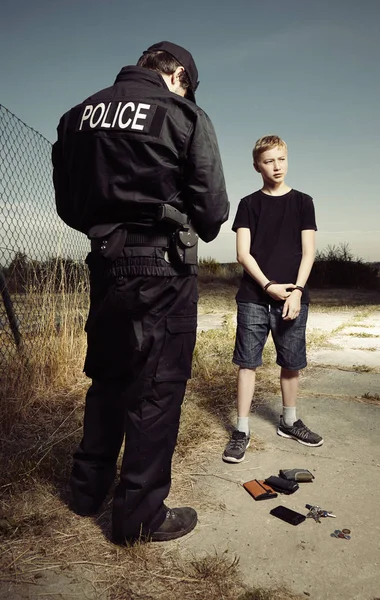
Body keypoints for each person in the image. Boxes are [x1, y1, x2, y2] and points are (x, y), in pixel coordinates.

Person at [52, 41, 229, 542]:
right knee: (156, 390)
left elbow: (69, 206)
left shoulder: (76, 116)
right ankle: (139, 517)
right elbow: (214, 214)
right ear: (176, 75)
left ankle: (86, 491)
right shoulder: (183, 116)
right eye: (188, 85)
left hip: (105, 265)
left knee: (107, 379)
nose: (188, 92)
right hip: (163, 268)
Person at [222, 134, 322, 464]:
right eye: (269, 161)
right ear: (257, 166)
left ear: (287, 160)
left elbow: (309, 253)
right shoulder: (249, 204)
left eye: (281, 159)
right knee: (247, 363)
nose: (276, 166)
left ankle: (289, 421)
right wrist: (268, 286)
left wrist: (295, 292)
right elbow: (242, 254)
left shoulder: (303, 202)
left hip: (292, 297)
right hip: (254, 296)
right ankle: (241, 430)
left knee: (292, 362)